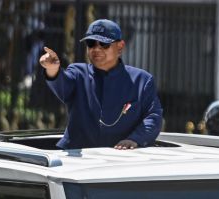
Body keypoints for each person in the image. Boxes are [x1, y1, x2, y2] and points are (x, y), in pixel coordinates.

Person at [39, 19, 163, 150]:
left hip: (122, 159)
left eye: (104, 44)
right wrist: (52, 69)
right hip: (75, 158)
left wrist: (134, 139)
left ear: (120, 47)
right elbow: (62, 85)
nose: (96, 49)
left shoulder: (142, 80)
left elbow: (153, 117)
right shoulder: (77, 73)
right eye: (91, 43)